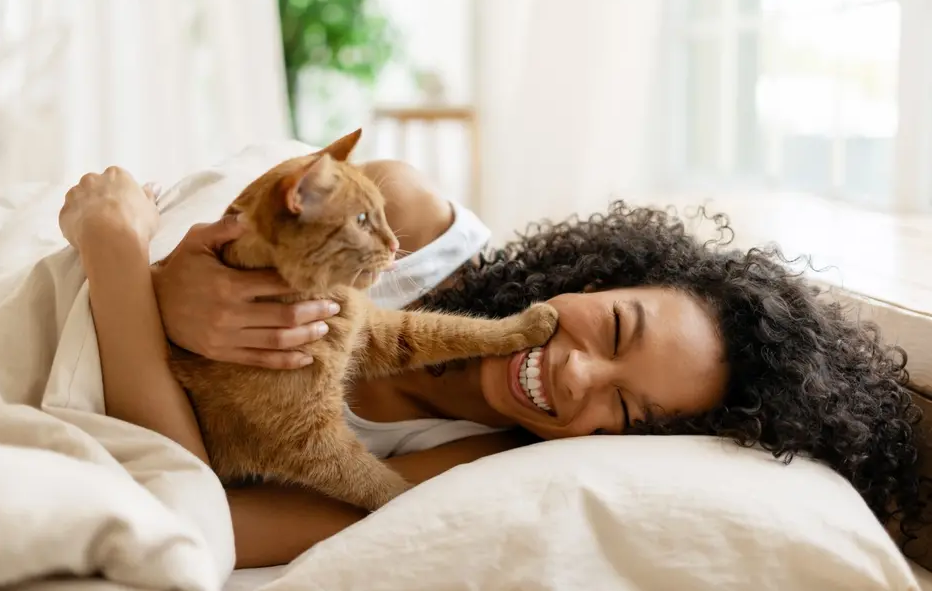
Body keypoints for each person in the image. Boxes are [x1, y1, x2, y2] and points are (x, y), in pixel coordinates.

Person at [58, 161, 927, 570]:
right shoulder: (404, 224)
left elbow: (192, 506)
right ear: (599, 275)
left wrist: (116, 257)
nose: (579, 377)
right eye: (614, 327)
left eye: (625, 413)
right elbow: (228, 238)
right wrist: (168, 281)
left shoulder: (473, 462)